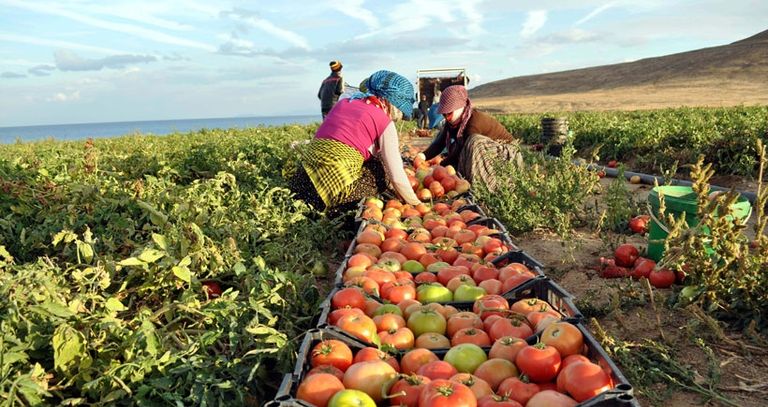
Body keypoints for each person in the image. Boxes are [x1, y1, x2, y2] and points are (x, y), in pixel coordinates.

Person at [291, 70, 421, 215]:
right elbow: (396, 176)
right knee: (383, 170)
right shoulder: (383, 121)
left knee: (371, 159)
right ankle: (338, 210)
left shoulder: (343, 103)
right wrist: (416, 204)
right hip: (330, 195)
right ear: (392, 103)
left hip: (301, 184)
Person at [422, 85, 522, 191]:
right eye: (443, 114)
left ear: (460, 107)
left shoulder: (474, 121)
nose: (446, 117)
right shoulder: (453, 122)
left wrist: (440, 167)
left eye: (449, 112)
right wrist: (422, 156)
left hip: (506, 155)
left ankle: (486, 187)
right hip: (488, 152)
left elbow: (461, 150)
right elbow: (439, 143)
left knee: (474, 141)